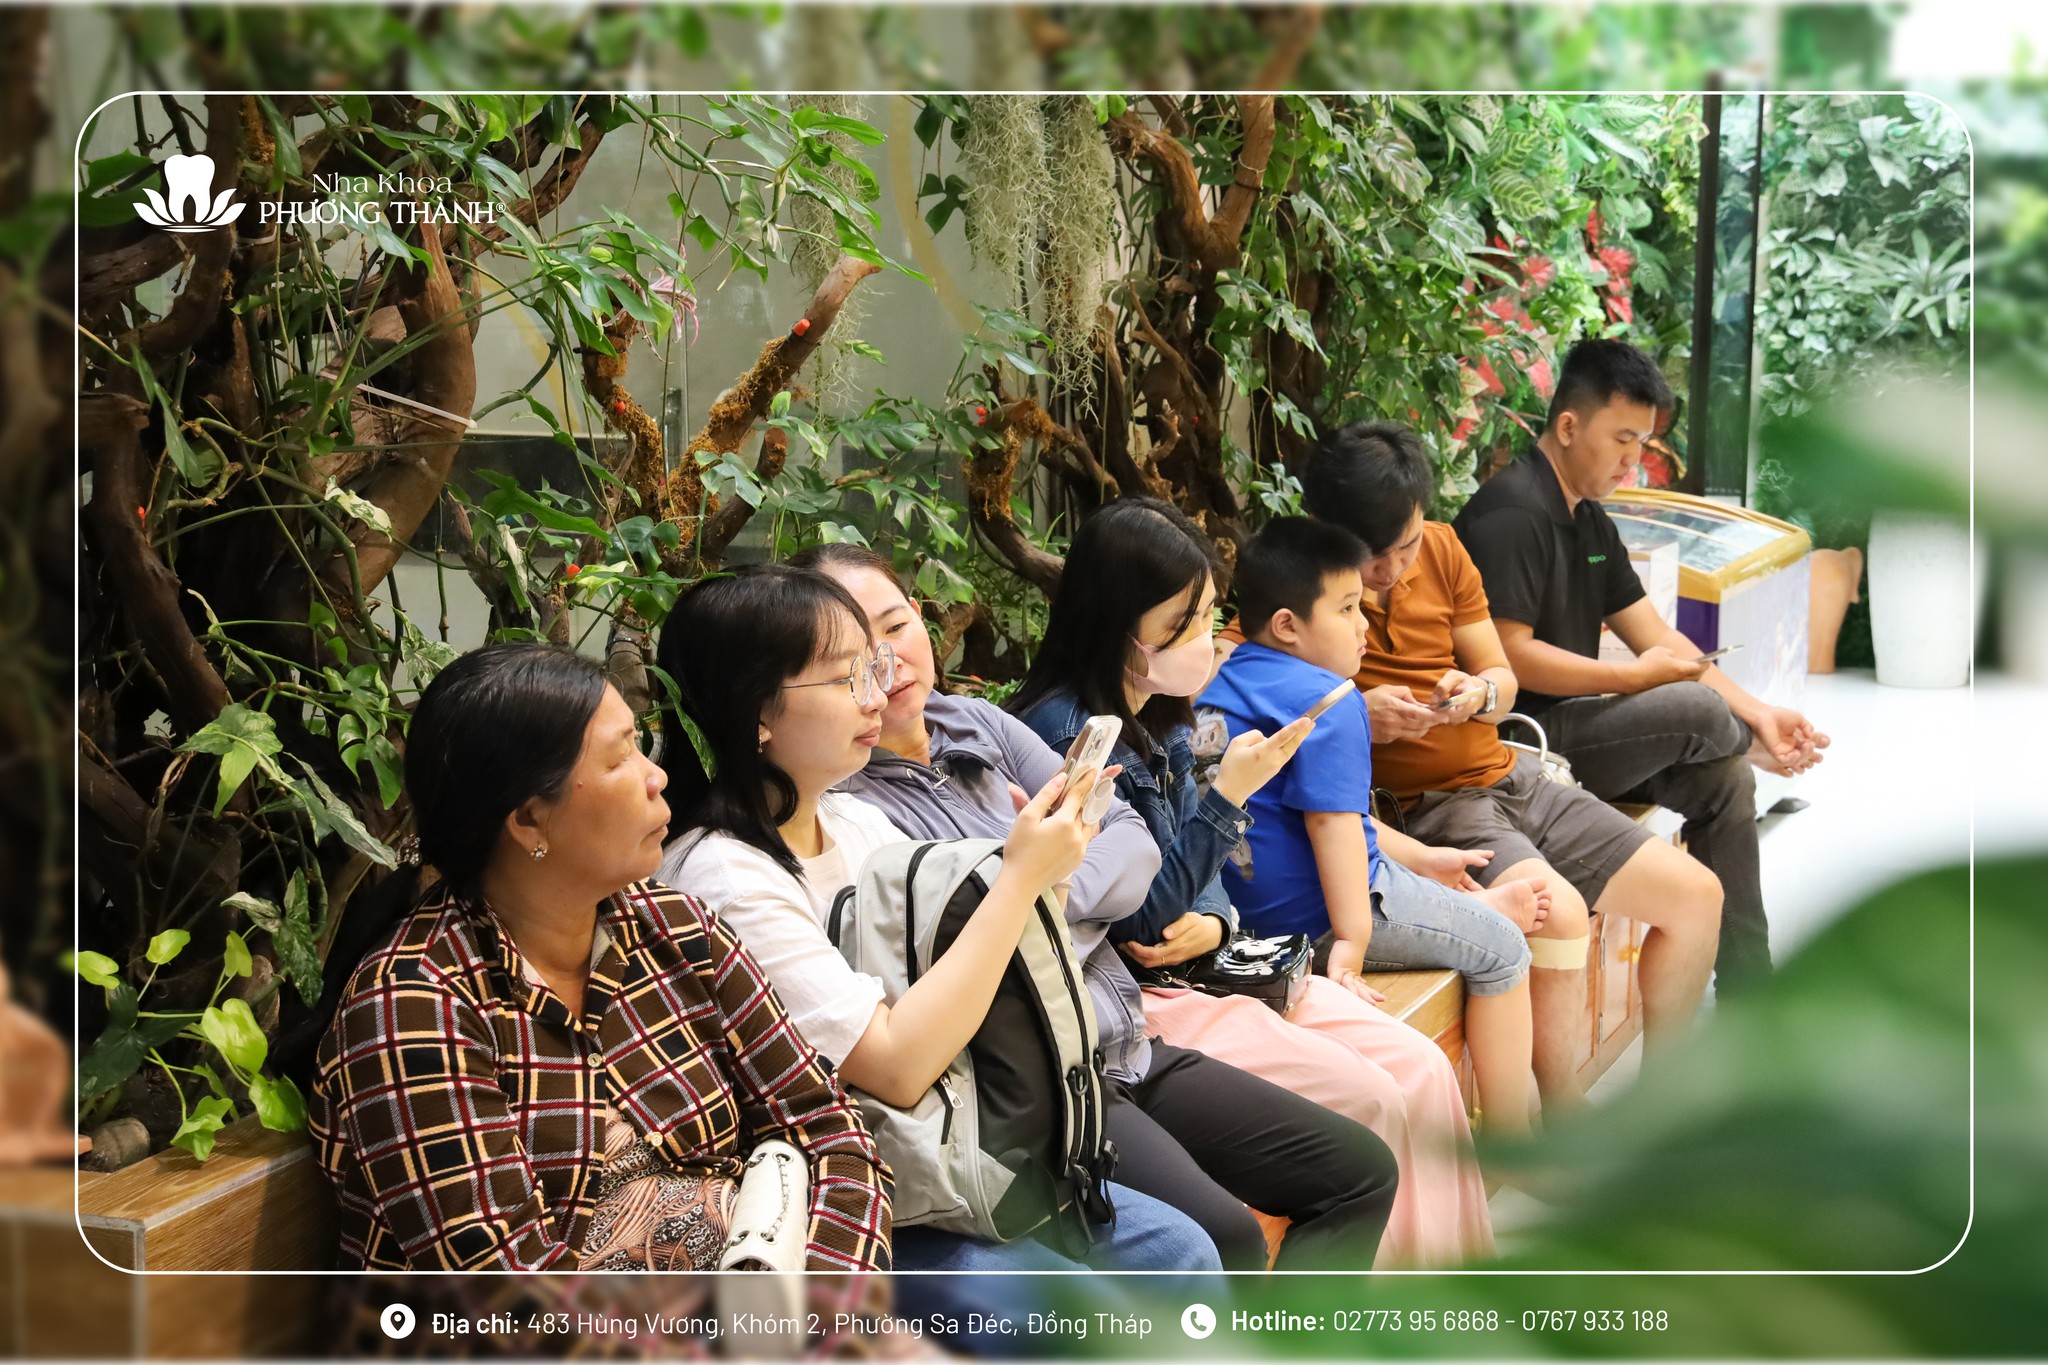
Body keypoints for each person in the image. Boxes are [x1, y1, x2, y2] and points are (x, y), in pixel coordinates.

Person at [795, 542, 1400, 1273]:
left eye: (894, 627)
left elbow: (1135, 840)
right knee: (1227, 1235)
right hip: (1046, 1081)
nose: (886, 661)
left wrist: (1038, 884)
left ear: (923, 619)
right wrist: (1043, 880)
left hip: (1127, 1037)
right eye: (854, 653)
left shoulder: (978, 722)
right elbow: (1036, 933)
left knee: (1361, 1169)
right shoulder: (852, 805)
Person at [652, 564, 1220, 1278]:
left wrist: (1039, 861)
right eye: (845, 677)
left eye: (875, 663)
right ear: (756, 712)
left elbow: (974, 949)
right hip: (862, 1192)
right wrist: (1018, 876)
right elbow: (893, 1065)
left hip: (962, 1139)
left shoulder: (852, 819)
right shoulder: (724, 875)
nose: (876, 692)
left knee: (1185, 1250)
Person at [1005, 497, 1500, 1266]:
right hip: (1148, 1004)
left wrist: (1217, 919)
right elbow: (1141, 921)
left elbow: (1197, 884)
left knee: (1422, 1064)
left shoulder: (1162, 713)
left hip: (1211, 967)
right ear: (1119, 624)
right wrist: (1228, 804)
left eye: (1209, 614)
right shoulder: (1071, 738)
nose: (1210, 640)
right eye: (1187, 622)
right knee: (1375, 1099)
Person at [292, 643, 891, 1272]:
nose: (656, 776)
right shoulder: (410, 1008)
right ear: (528, 820)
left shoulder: (679, 930)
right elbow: (509, 1297)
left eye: (641, 746)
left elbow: (826, 1125)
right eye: (620, 758)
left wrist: (825, 1304)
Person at [1221, 421, 1723, 1108]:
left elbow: (1502, 675)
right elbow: (1243, 695)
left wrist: (1479, 692)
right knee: (1558, 913)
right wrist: (1361, 712)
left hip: (1508, 769)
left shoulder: (1448, 550)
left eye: (1409, 544)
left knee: (1697, 897)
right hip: (1433, 808)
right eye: (1378, 560)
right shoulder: (1301, 593)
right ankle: (1563, 1117)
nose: (1396, 570)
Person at [1453, 336, 1829, 996]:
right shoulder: (1512, 513)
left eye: (1642, 444)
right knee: (1702, 714)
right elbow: (1508, 655)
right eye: (1623, 439)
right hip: (1520, 745)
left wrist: (1759, 712)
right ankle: (1751, 746)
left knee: (1724, 778)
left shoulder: (1590, 519)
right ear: (1569, 426)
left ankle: (1752, 989)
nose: (1634, 459)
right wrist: (1630, 678)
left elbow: (1659, 635)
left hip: (1576, 734)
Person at [1192, 513, 1542, 1144]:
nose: (1365, 625)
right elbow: (1336, 831)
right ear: (1289, 626)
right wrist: (1350, 943)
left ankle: (1456, 894)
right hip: (1323, 916)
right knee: (1505, 951)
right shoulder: (1330, 699)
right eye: (1350, 608)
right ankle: (1516, 1145)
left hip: (1242, 914)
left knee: (1420, 878)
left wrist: (1426, 856)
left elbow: (1329, 817)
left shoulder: (1219, 681)